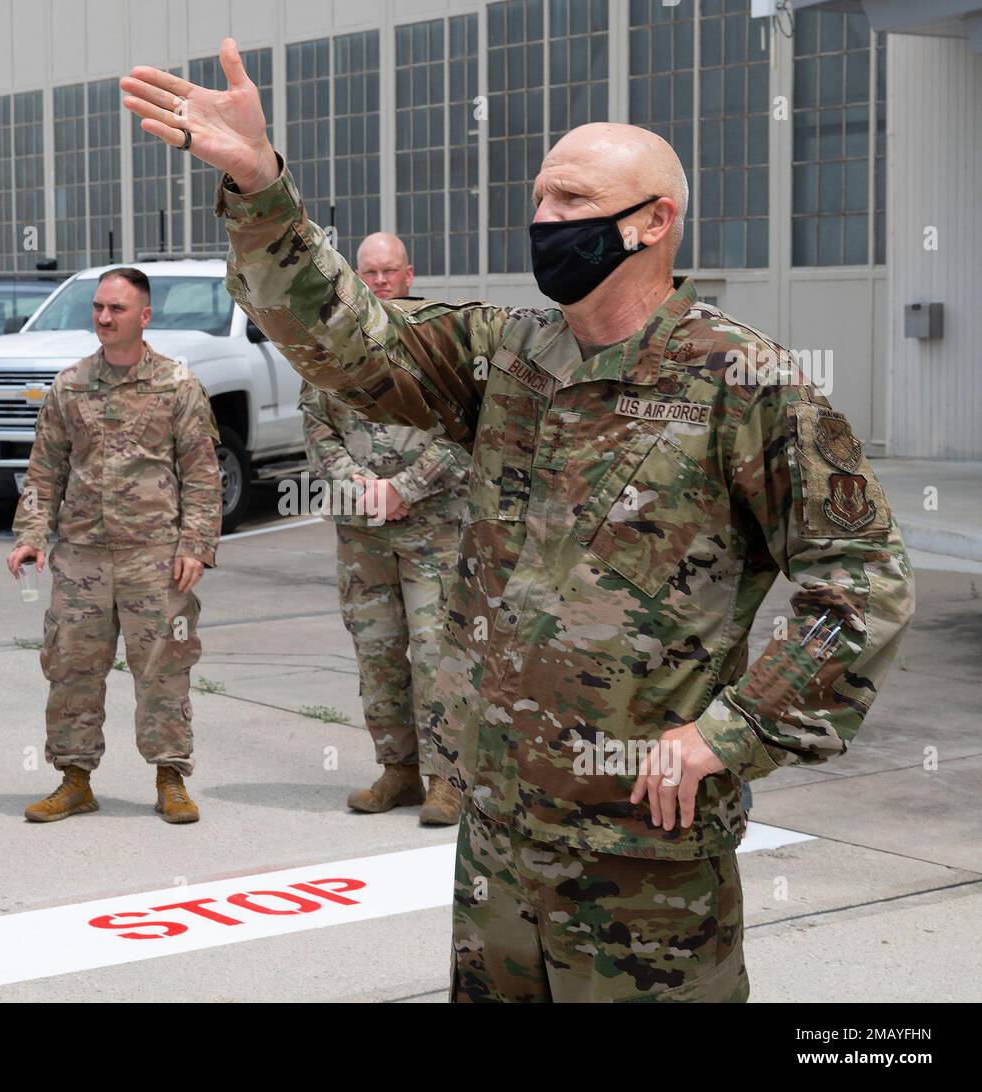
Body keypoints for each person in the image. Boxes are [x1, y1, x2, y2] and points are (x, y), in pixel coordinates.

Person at [120, 42, 915, 1001]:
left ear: (654, 221)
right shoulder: (507, 357)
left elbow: (862, 582)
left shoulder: (741, 380)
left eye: (573, 201)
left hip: (643, 854)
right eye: (540, 200)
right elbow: (341, 337)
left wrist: (734, 733)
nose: (545, 220)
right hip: (499, 834)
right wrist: (258, 185)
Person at [7, 268, 222, 824]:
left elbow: (202, 473)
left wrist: (195, 545)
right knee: (72, 667)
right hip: (81, 557)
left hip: (155, 556)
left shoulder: (178, 385)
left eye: (117, 309)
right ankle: (74, 779)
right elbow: (45, 470)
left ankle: (170, 777)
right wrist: (31, 536)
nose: (104, 318)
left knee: (163, 669)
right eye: (98, 307)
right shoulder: (70, 384)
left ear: (144, 316)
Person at [299, 231, 470, 825]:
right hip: (362, 534)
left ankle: (447, 778)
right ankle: (397, 770)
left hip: (433, 532)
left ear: (409, 274)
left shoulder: (439, 343)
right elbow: (317, 426)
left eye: (388, 272)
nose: (378, 283)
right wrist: (361, 486)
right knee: (376, 652)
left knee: (436, 653)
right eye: (367, 273)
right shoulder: (331, 347)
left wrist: (405, 488)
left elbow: (466, 434)